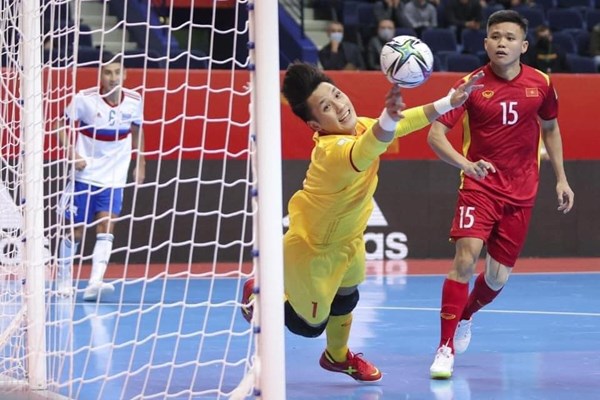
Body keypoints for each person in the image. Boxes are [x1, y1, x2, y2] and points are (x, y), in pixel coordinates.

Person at [241, 61, 483, 382]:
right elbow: (370, 146)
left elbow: (401, 124)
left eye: (337, 95)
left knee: (347, 295)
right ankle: (259, 295)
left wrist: (448, 102)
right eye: (327, 107)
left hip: (349, 240)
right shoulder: (333, 152)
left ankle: (337, 357)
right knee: (308, 326)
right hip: (313, 251)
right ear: (315, 124)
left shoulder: (357, 128)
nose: (340, 105)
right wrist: (388, 119)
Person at [427, 10, 574, 379]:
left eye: (510, 37)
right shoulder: (470, 85)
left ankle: (466, 314)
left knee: (496, 279)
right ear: (485, 43)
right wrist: (466, 165)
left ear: (523, 45)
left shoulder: (541, 83)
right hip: (479, 186)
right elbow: (435, 135)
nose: (501, 43)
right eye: (495, 36)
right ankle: (444, 348)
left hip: (521, 191)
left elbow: (551, 128)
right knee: (465, 259)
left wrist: (561, 178)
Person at [56, 55, 145, 301]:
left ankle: (95, 282)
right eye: (107, 72)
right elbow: (59, 124)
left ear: (125, 74)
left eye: (117, 72)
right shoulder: (84, 99)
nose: (113, 77)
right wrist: (71, 153)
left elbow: (137, 129)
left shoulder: (134, 100)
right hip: (84, 175)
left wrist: (140, 163)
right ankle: (63, 278)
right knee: (74, 231)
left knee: (106, 226)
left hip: (114, 177)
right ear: (101, 75)